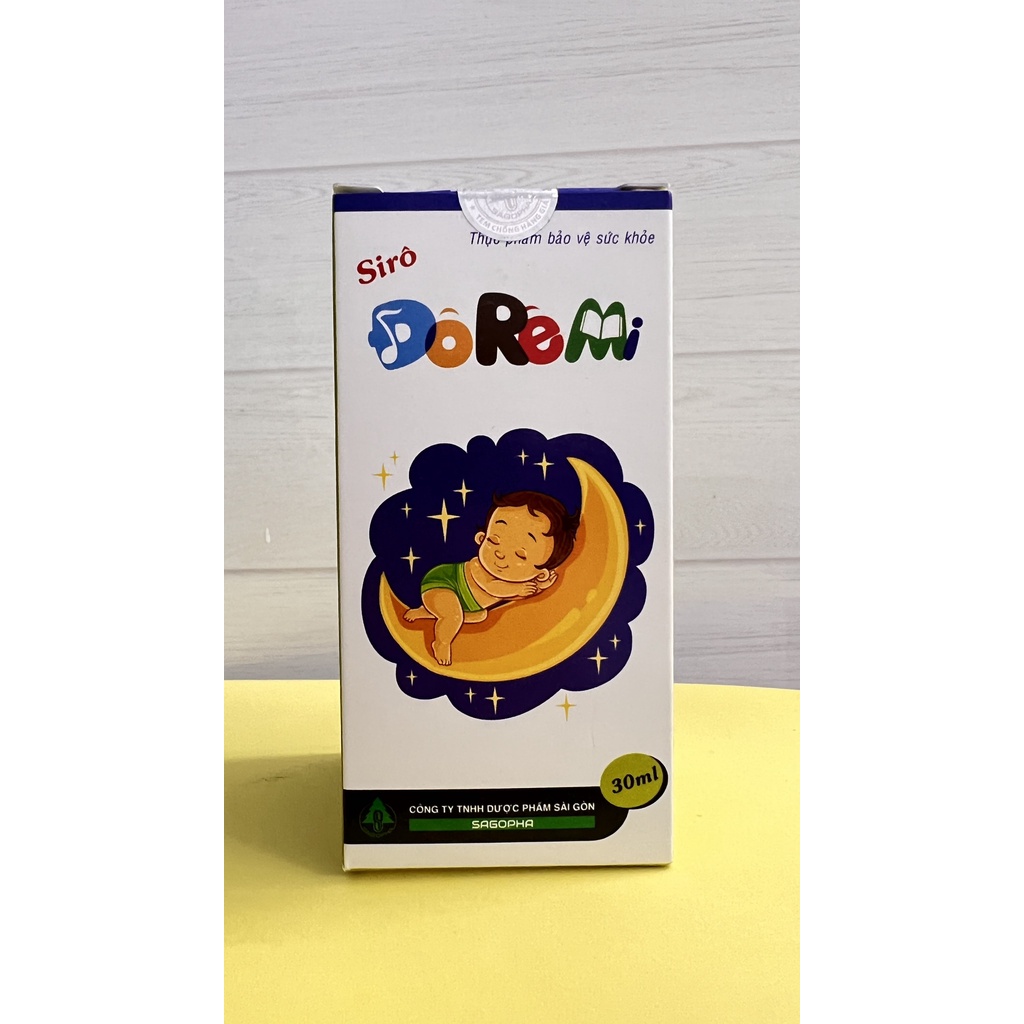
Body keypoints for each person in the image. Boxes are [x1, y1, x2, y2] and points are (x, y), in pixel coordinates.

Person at [404, 491, 580, 666]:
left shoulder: (515, 585)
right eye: (494, 541)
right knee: (453, 616)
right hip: (444, 583)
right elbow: (491, 587)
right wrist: (520, 588)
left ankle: (426, 612)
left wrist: (539, 587)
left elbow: (516, 595)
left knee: (479, 616)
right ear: (481, 538)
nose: (500, 554)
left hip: (469, 605)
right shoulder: (477, 567)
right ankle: (441, 643)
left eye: (520, 555)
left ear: (540, 573)